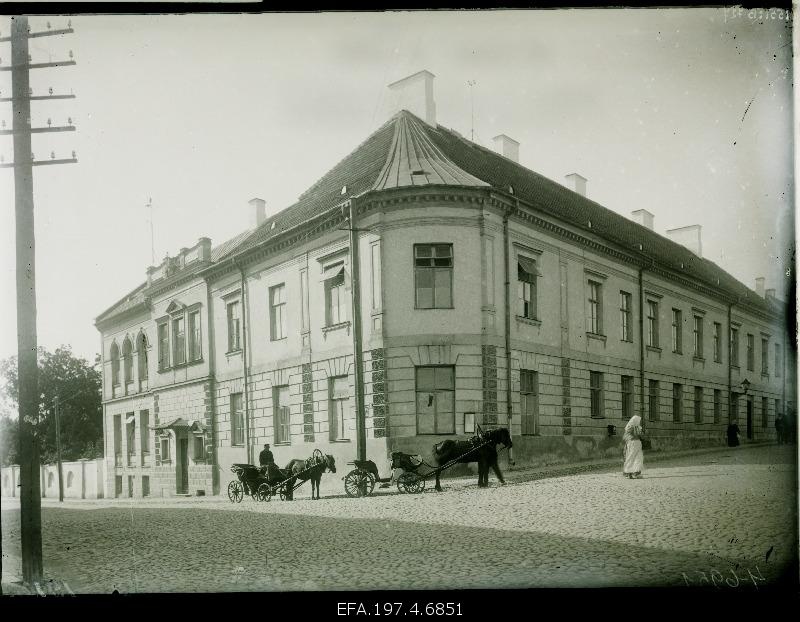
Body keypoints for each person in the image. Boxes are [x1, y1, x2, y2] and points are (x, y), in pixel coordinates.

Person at [622, 414, 644, 479]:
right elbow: (626, 436)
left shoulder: (637, 427)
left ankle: (636, 473)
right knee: (631, 457)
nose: (639, 422)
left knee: (638, 458)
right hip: (632, 443)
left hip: (637, 443)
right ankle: (628, 473)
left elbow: (640, 435)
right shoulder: (630, 427)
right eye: (638, 420)